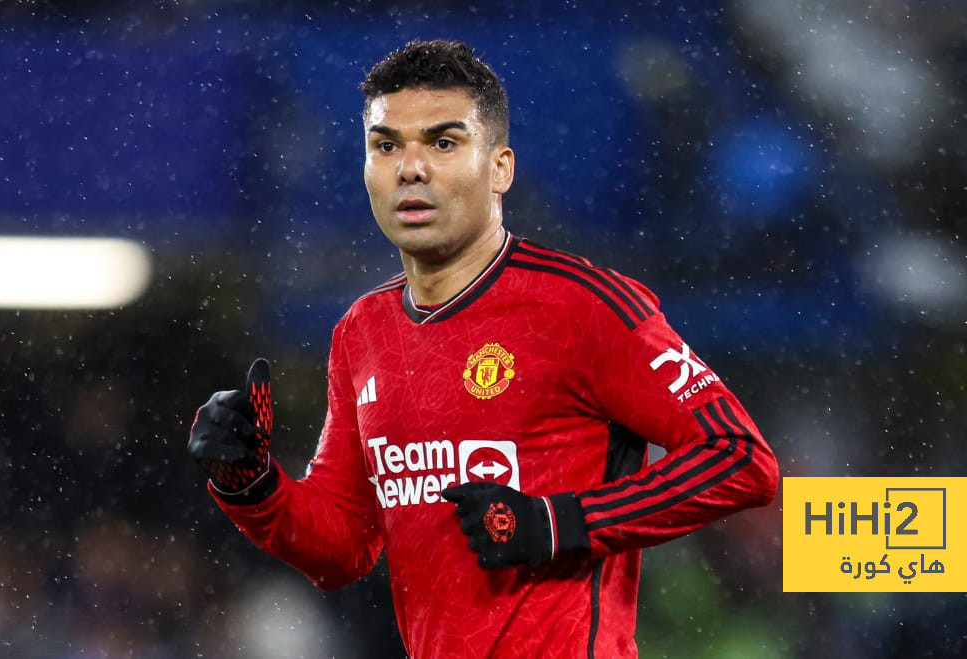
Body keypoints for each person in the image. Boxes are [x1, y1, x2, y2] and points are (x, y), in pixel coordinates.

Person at [187, 39, 779, 659]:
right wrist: (252, 485)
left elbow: (741, 459)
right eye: (387, 146)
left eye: (443, 143)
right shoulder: (361, 332)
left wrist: (555, 523)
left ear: (500, 168)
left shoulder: (583, 306)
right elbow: (344, 548)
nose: (411, 169)